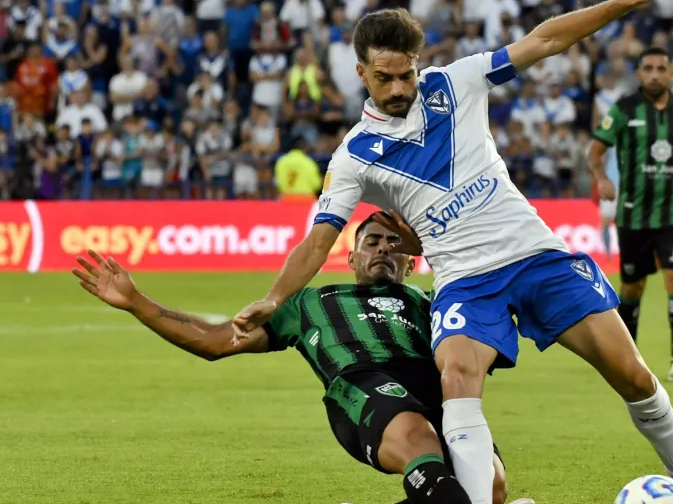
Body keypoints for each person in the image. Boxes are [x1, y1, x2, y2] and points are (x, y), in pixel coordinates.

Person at [233, 4, 673, 504]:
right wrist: (275, 299)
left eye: (406, 75)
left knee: (632, 374)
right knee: (457, 378)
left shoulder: (457, 83)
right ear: (361, 72)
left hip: (535, 254)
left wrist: (625, 3)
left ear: (418, 61)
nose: (397, 89)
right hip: (465, 281)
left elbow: (546, 40)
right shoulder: (354, 156)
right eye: (383, 78)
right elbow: (318, 240)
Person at [71, 214, 534, 504]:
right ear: (351, 257)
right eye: (371, 241)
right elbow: (216, 341)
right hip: (364, 385)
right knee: (421, 441)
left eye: (394, 244)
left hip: (438, 394)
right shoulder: (309, 302)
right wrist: (138, 303)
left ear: (412, 262)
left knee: (490, 490)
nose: (382, 249)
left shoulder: (433, 302)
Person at [588, 46, 673, 383]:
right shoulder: (625, 109)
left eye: (661, 68)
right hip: (633, 217)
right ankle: (627, 360)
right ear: (639, 73)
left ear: (672, 73)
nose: (655, 74)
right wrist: (602, 179)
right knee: (632, 289)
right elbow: (595, 150)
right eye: (648, 68)